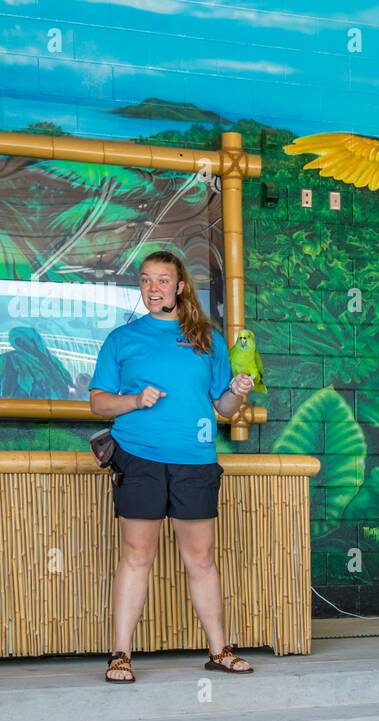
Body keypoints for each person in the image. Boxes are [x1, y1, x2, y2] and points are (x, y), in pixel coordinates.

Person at [88, 250, 255, 683]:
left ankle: (219, 650)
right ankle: (120, 655)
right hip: (139, 457)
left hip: (195, 462)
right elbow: (98, 401)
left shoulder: (208, 339)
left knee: (200, 560)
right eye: (145, 281)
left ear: (180, 287)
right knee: (136, 556)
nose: (153, 288)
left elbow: (224, 407)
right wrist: (134, 400)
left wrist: (238, 390)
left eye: (162, 280)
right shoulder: (122, 340)